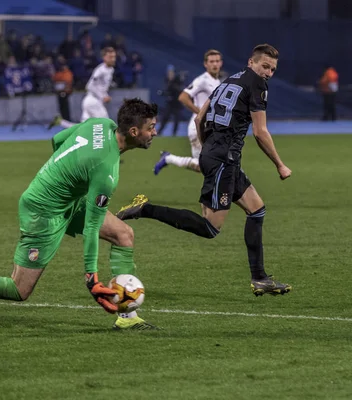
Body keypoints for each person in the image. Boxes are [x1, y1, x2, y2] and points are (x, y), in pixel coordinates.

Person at [0, 98, 160, 331]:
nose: (155, 133)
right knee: (19, 289)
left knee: (124, 234)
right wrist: (91, 277)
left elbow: (57, 140)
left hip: (68, 200)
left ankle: (127, 316)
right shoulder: (106, 172)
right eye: (151, 128)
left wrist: (65, 176)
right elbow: (92, 228)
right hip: (43, 211)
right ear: (134, 132)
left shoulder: (100, 124)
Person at [116, 44, 293, 297]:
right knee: (210, 228)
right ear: (252, 62)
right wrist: (280, 164)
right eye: (265, 66)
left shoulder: (228, 80)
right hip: (224, 161)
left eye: (273, 69)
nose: (268, 73)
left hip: (217, 155)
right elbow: (260, 131)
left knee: (256, 210)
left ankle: (260, 278)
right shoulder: (257, 85)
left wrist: (206, 147)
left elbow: (200, 118)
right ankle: (145, 208)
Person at [154, 50, 222, 174]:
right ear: (205, 64)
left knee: (208, 167)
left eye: (217, 61)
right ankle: (168, 158)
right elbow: (183, 97)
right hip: (198, 129)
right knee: (209, 167)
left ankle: (168, 158)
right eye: (211, 61)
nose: (215, 64)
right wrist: (201, 113)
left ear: (221, 63)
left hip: (209, 128)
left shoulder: (217, 82)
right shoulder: (202, 80)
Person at [49, 47, 116, 130]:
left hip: (91, 100)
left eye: (114, 57)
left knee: (82, 128)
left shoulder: (111, 70)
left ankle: (61, 122)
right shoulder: (100, 70)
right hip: (93, 101)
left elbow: (101, 86)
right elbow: (90, 86)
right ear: (104, 58)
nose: (113, 59)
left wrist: (104, 95)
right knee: (107, 126)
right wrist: (103, 96)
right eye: (110, 57)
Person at [156, 65, 184, 137]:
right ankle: (159, 132)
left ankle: (174, 134)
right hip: (170, 103)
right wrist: (163, 93)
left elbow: (180, 90)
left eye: (171, 72)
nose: (170, 74)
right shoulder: (167, 80)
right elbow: (168, 91)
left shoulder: (177, 80)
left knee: (176, 119)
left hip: (177, 103)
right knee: (165, 117)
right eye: (169, 72)